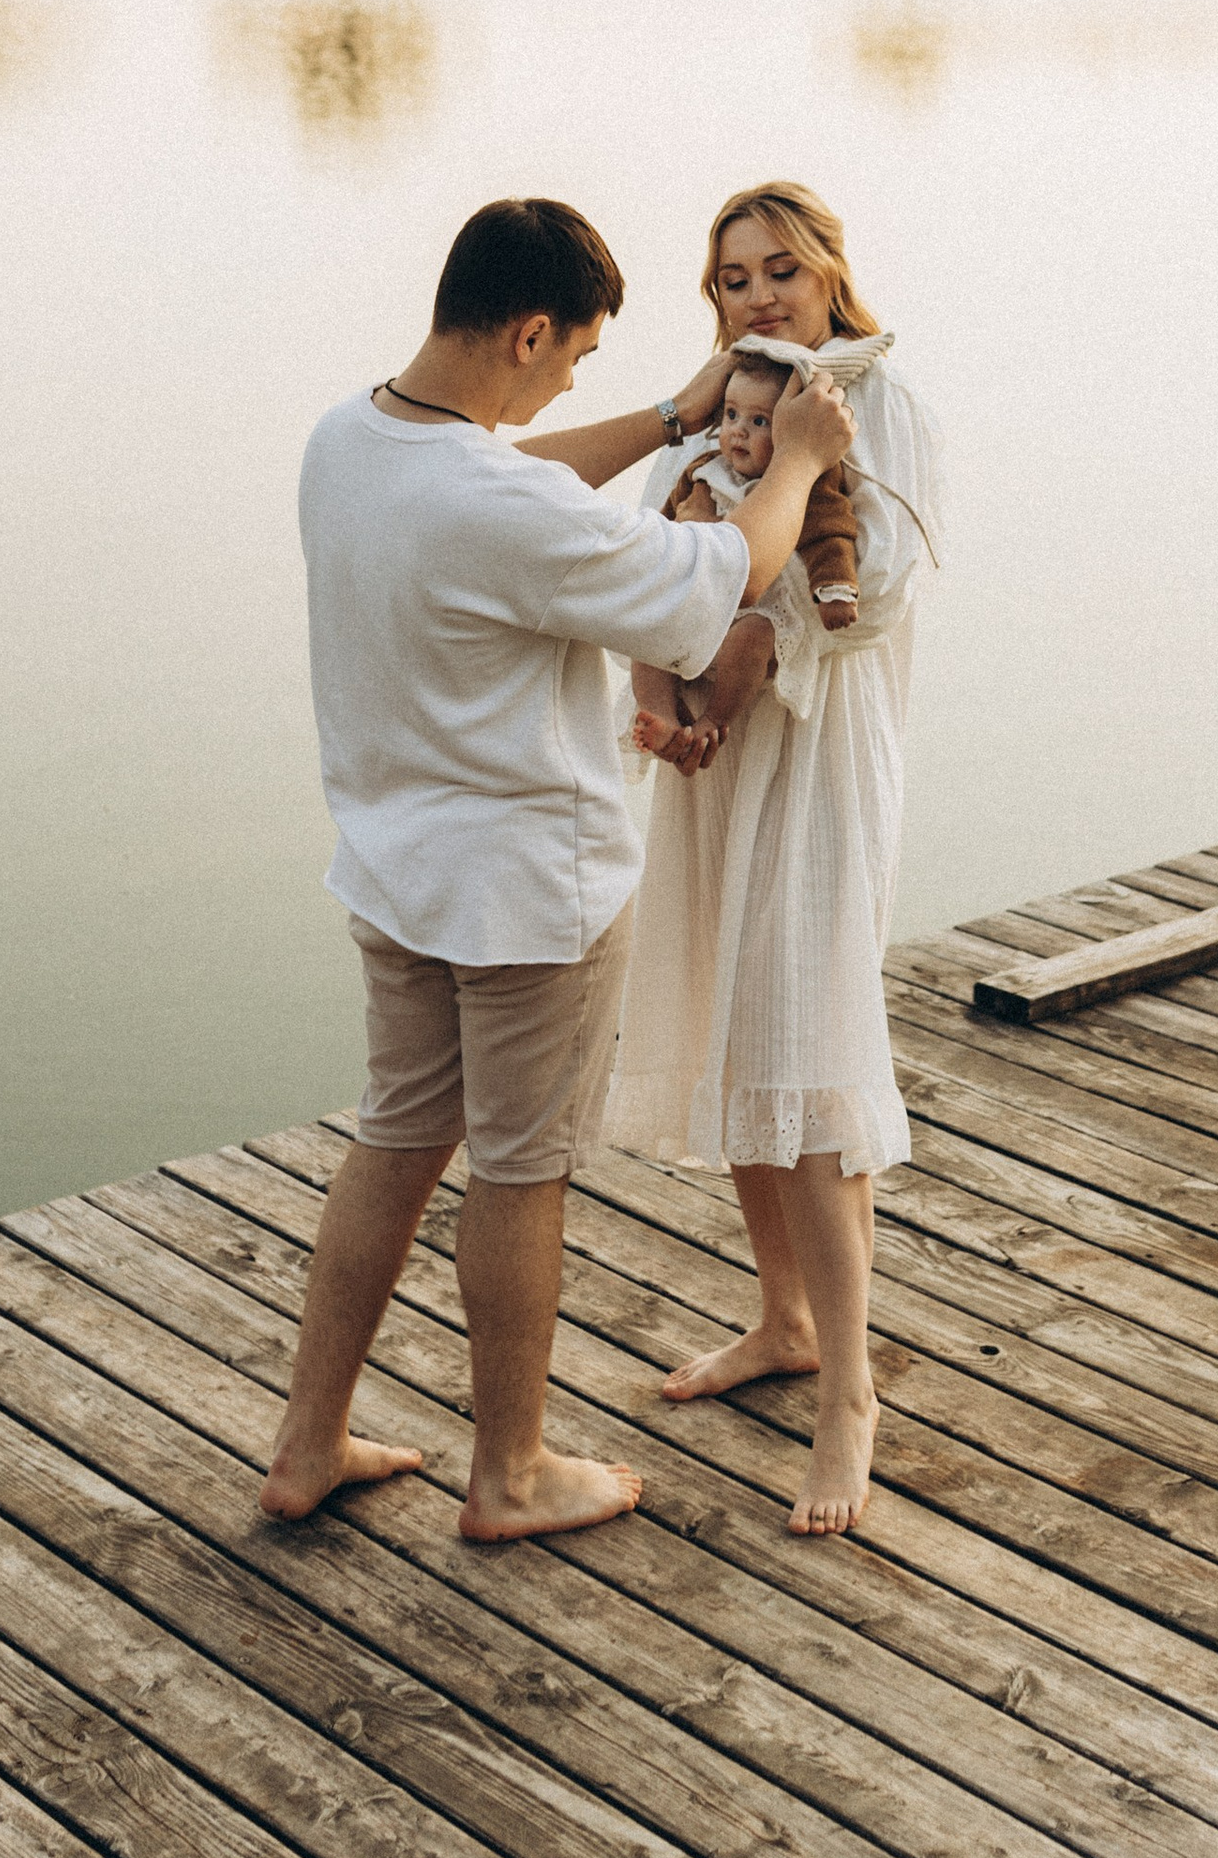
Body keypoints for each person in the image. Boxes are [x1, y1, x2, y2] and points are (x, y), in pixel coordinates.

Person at [259, 193, 854, 1542]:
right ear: (529, 332)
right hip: (529, 894)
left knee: (394, 1140)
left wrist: (673, 418)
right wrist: (799, 462)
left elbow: (512, 476)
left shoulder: (348, 440)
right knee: (520, 1173)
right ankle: (511, 1475)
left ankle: (307, 1442)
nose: (573, 383)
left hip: (393, 872)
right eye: (575, 356)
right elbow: (723, 571)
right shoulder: (502, 510)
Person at [605, 181, 943, 1540]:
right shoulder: (720, 403)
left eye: (781, 270)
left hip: (818, 750)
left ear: (829, 271)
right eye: (735, 278)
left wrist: (746, 622)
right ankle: (785, 1320)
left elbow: (880, 592)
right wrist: (683, 675)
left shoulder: (881, 400)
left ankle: (850, 1394)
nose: (760, 296)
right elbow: (647, 558)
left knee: (808, 1048)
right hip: (715, 758)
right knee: (736, 1038)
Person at [627, 350, 860, 766]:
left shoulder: (802, 480)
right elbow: (663, 522)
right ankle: (659, 711)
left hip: (760, 608)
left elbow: (830, 531)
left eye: (759, 422)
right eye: (731, 415)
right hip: (698, 602)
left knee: (753, 637)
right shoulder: (704, 471)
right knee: (647, 630)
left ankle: (714, 719)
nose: (738, 431)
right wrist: (654, 551)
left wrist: (835, 589)